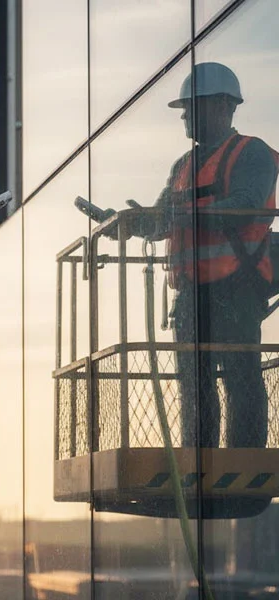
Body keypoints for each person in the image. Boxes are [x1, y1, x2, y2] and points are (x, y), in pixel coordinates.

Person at [134, 62, 278, 448]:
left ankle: (242, 458)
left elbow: (246, 204)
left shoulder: (252, 153)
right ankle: (199, 460)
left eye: (192, 107)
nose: (185, 116)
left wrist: (180, 215)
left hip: (236, 288)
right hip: (191, 297)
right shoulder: (183, 165)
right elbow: (162, 219)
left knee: (240, 377)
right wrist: (132, 221)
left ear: (223, 106)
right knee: (193, 385)